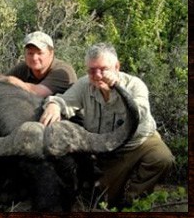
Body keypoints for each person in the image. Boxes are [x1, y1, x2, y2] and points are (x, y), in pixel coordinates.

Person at [40, 42, 175, 209]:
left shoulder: (135, 85)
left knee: (161, 158)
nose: (97, 75)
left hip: (137, 142)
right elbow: (64, 100)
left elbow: (138, 114)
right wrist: (54, 105)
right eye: (91, 70)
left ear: (117, 66)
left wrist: (116, 87)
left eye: (103, 69)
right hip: (105, 150)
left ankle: (133, 201)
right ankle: (115, 192)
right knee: (100, 198)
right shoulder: (84, 85)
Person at [0, 31, 77, 97]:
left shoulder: (62, 71)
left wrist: (11, 81)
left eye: (40, 53)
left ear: (51, 53)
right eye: (30, 53)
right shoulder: (23, 67)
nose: (34, 58)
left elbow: (38, 92)